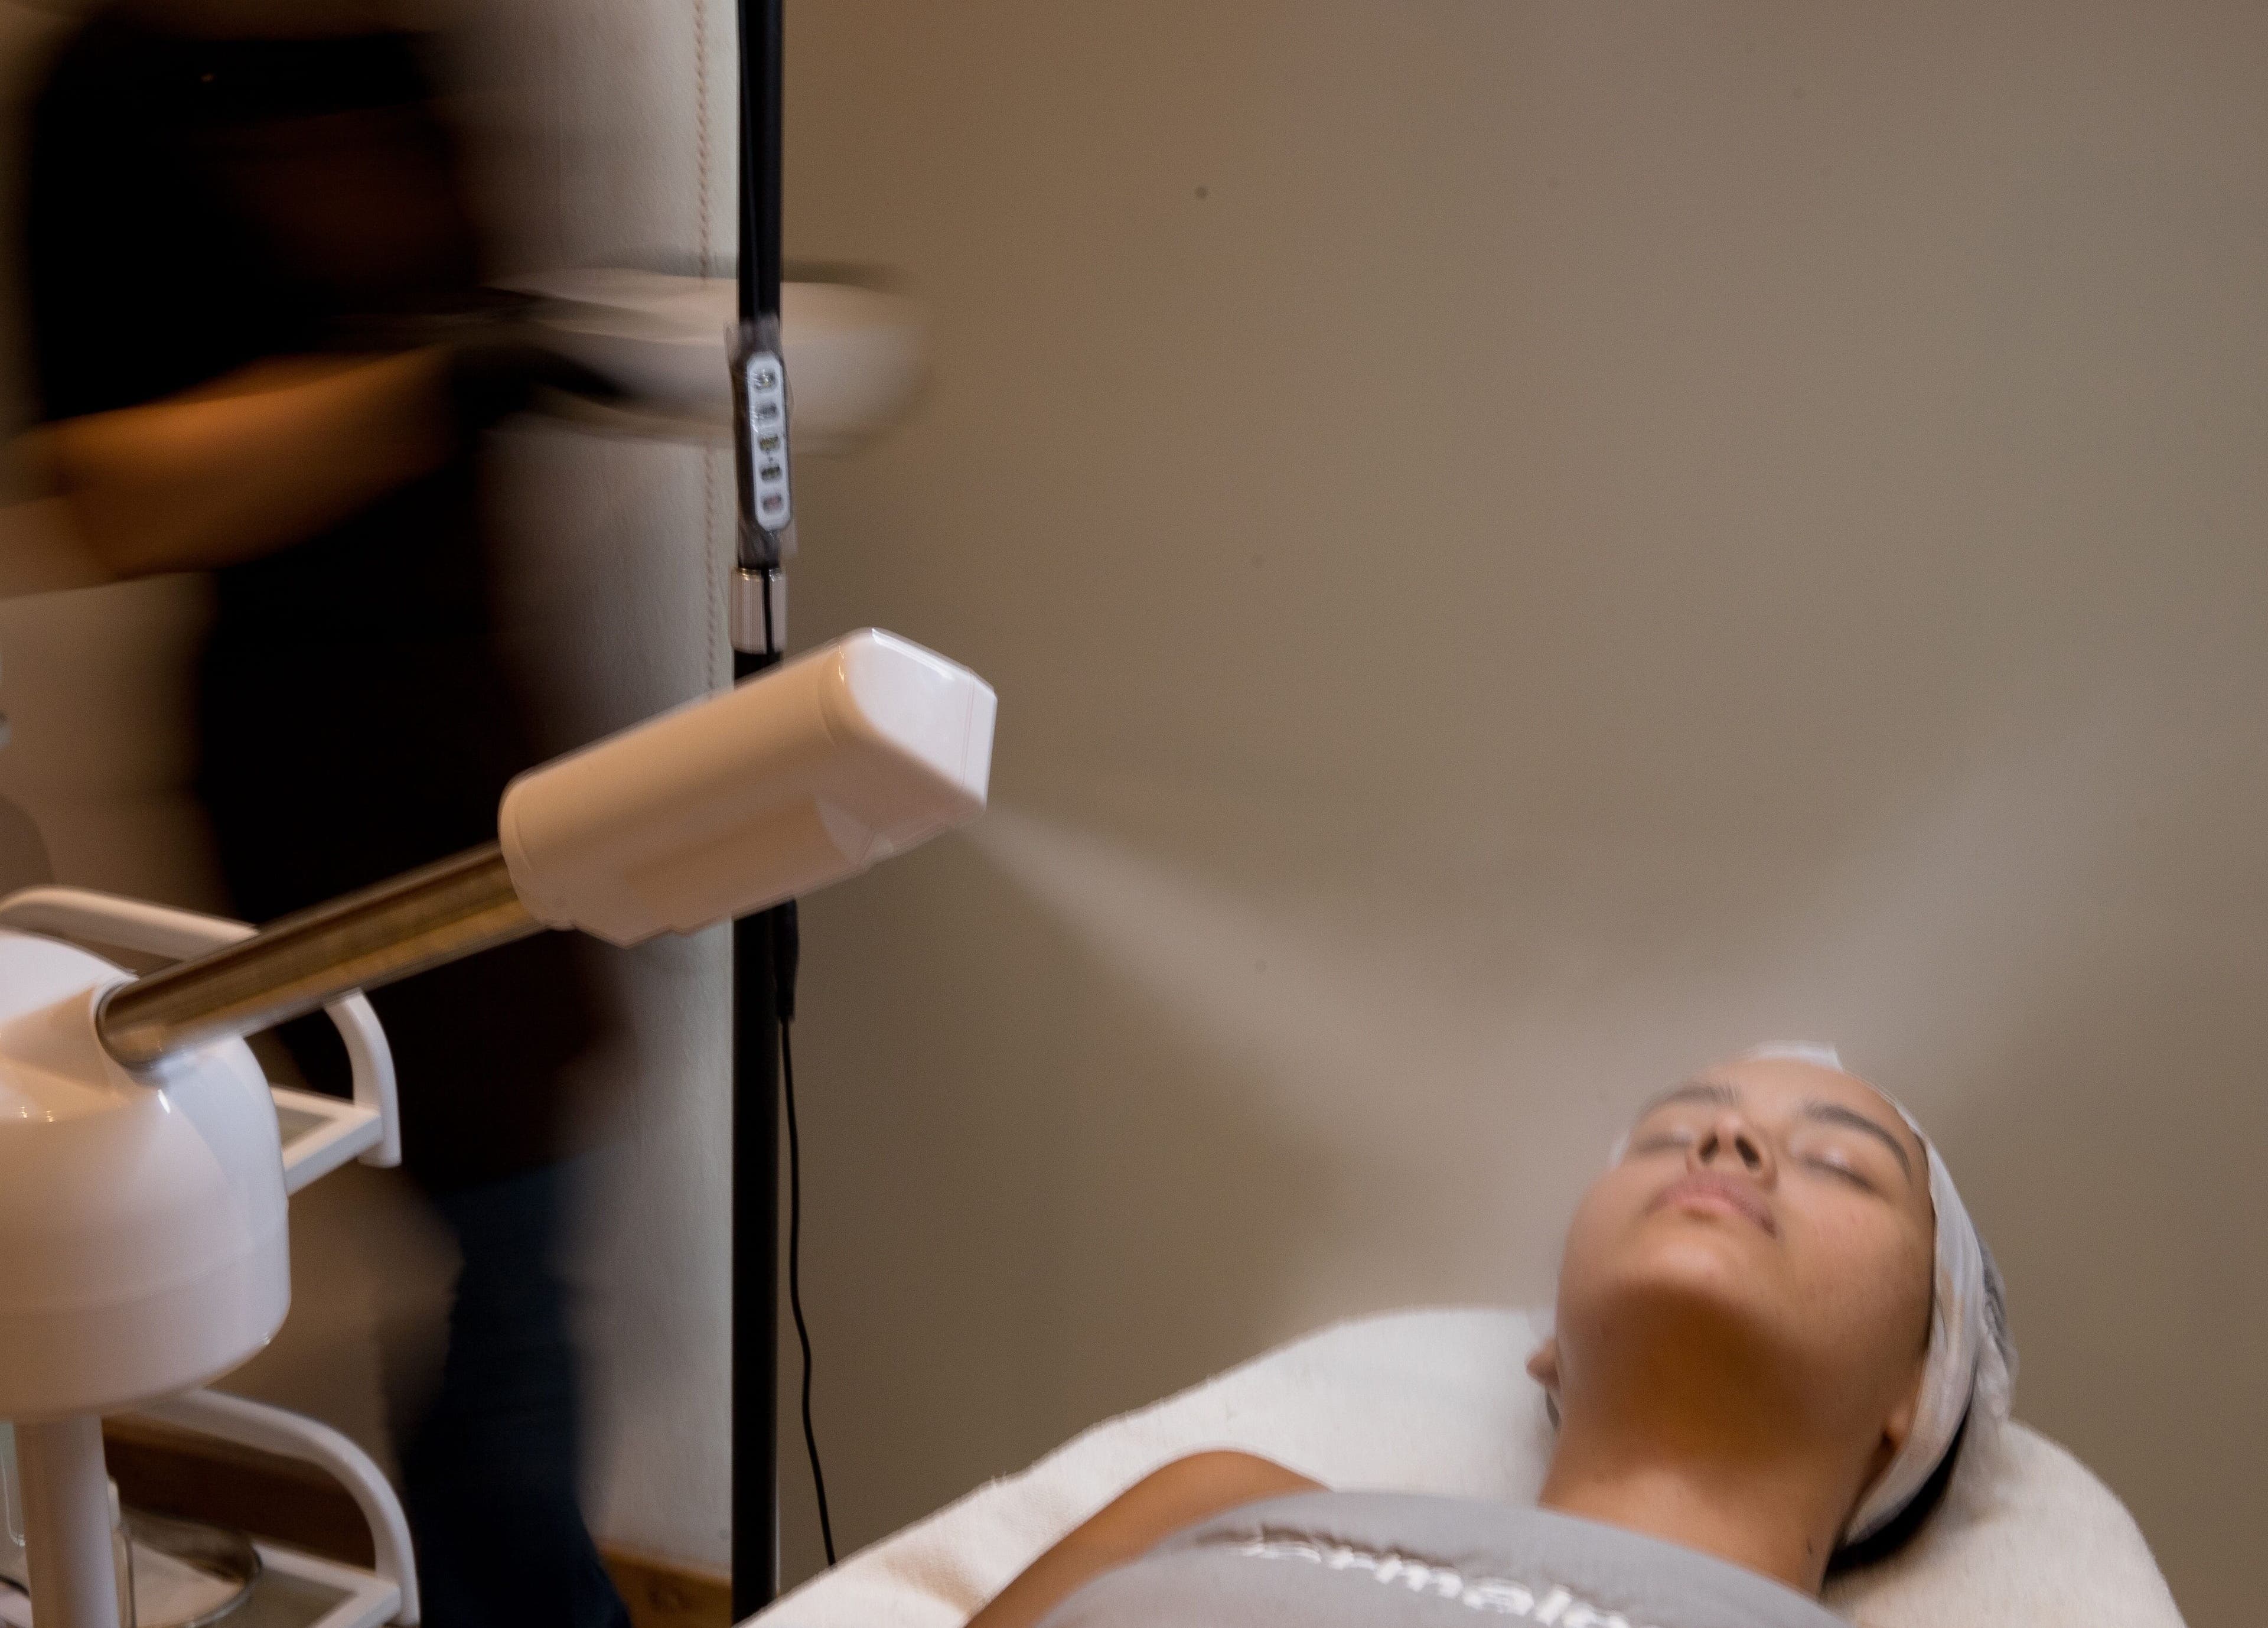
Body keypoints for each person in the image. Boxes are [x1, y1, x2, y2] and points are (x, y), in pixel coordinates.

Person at [18, 5, 632, 1624]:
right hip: (327, 783)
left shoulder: (409, 43)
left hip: (493, 751)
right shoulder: (121, 80)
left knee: (519, 1284)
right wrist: (433, 375)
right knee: (508, 1288)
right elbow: (119, 492)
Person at [967, 1046, 2015, 1628]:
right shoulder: (1219, 1498)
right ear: (1553, 1344)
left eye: (1840, 1164)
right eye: (1662, 1135)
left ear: (1921, 1397)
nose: (1723, 1140)